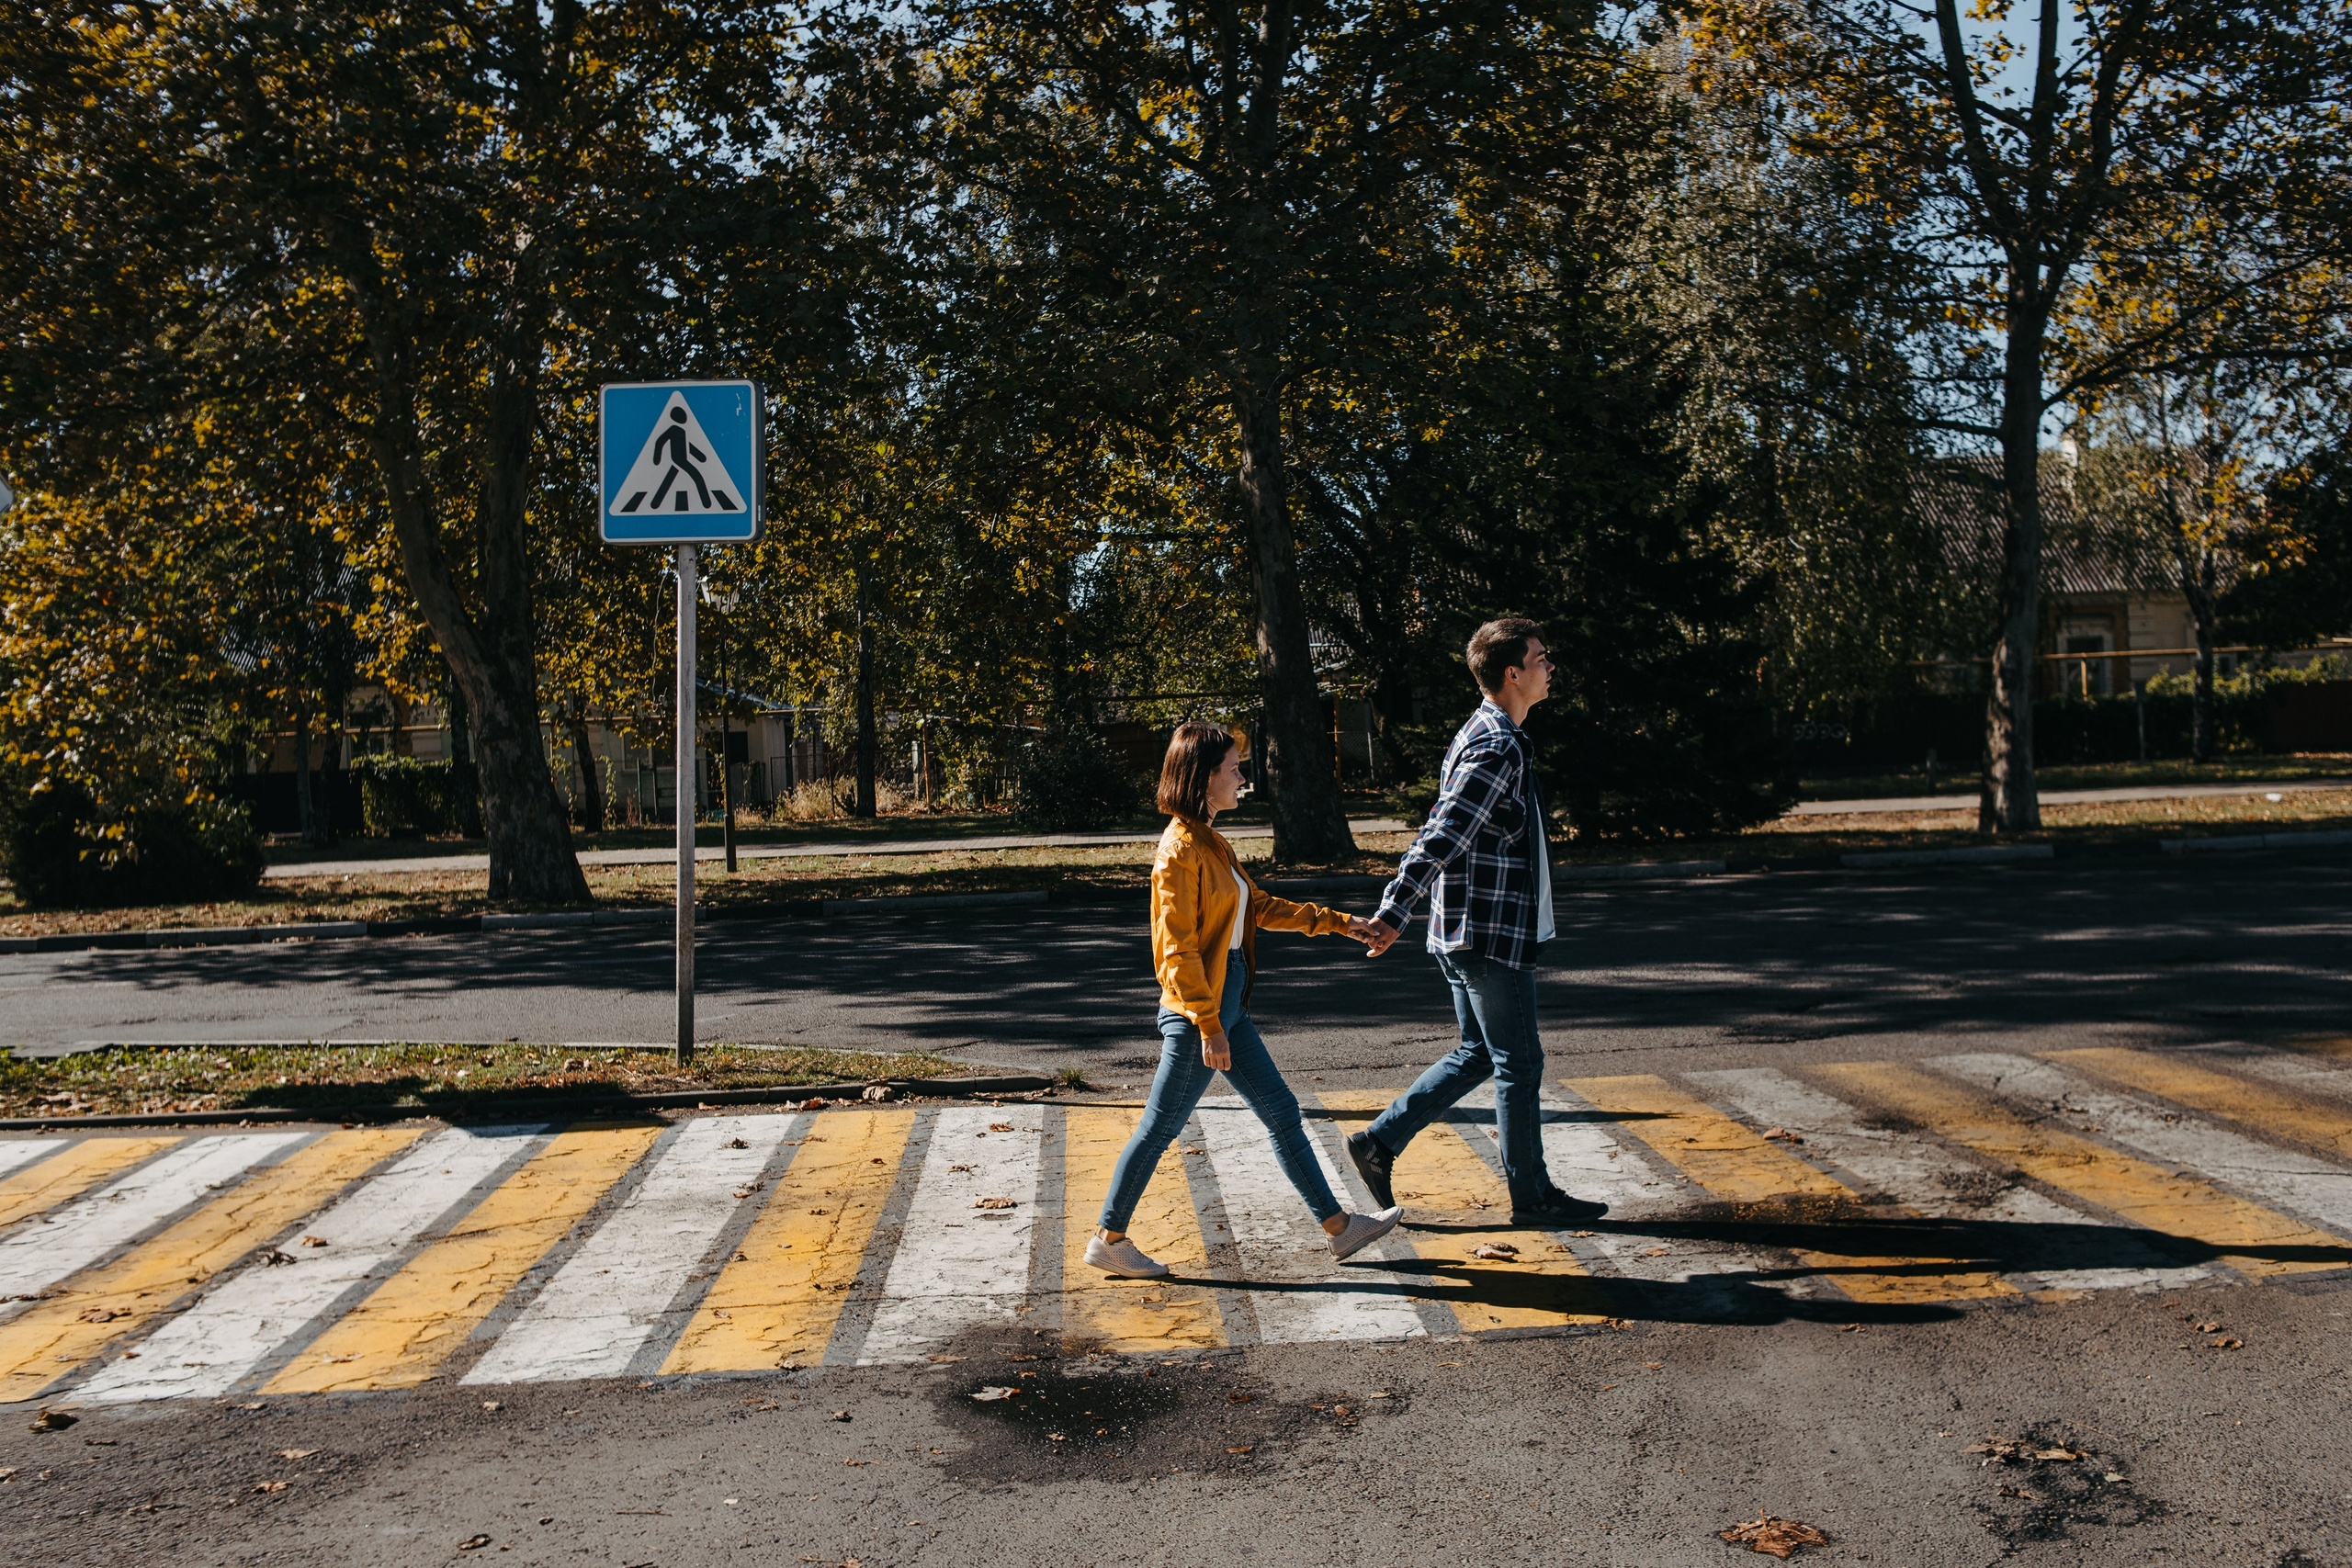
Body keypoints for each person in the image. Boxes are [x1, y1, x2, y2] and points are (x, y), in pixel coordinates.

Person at [1085, 721, 1405, 1278]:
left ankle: (1338, 1227)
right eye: (1234, 768)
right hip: (1200, 1010)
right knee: (1161, 1127)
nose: (1242, 777)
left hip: (1226, 1002)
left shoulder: (1211, 840)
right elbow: (1175, 949)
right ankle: (1109, 1237)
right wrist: (1207, 1024)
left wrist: (1341, 924)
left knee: (1282, 1114)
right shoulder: (1179, 851)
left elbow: (1256, 907)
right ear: (1203, 777)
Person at [1346, 618, 1607, 1227]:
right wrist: (1394, 908)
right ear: (1513, 672)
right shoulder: (1495, 744)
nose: (1550, 667)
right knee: (1519, 1060)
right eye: (1542, 658)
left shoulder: (1493, 732)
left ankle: (1378, 1143)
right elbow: (1442, 834)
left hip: (1470, 926)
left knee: (1479, 1053)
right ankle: (1533, 1196)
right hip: (1488, 933)